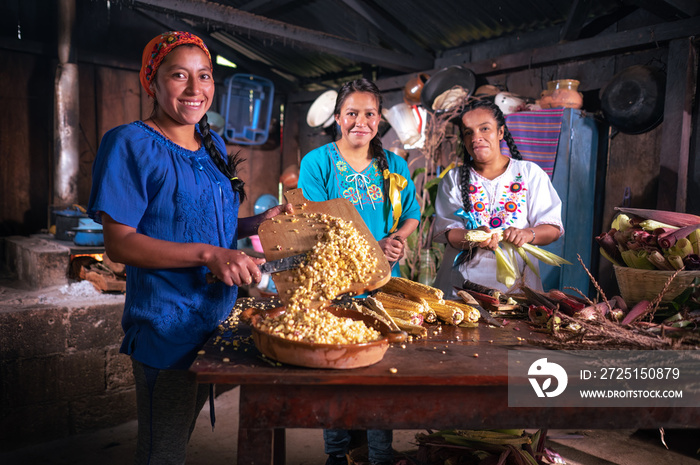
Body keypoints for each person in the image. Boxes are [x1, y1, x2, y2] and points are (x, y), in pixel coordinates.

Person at [87, 31, 291, 464]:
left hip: (220, 324)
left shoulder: (212, 144)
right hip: (168, 328)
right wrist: (208, 256)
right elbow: (120, 245)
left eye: (205, 76)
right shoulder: (130, 143)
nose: (196, 89)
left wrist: (255, 224)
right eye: (179, 75)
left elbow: (204, 228)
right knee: (163, 452)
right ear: (152, 81)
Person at [298, 78, 421, 465]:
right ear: (338, 118)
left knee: (379, 373)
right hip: (334, 287)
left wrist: (398, 237)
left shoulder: (394, 166)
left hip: (382, 287)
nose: (360, 122)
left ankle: (378, 455)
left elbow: (413, 214)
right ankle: (338, 455)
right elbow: (320, 224)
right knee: (335, 373)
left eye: (369, 114)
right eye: (351, 113)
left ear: (379, 119)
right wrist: (375, 245)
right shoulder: (317, 163)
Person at [433, 99, 564, 299]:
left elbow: (552, 228)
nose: (476, 137)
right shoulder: (453, 179)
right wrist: (474, 237)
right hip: (460, 291)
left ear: (500, 132)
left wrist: (527, 234)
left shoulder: (530, 174)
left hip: (517, 290)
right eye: (468, 132)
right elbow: (450, 234)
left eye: (484, 129)